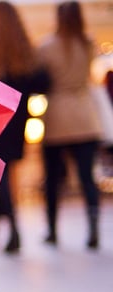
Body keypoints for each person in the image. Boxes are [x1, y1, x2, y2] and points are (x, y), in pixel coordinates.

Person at [0, 1, 51, 254]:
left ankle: (11, 226)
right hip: (16, 122)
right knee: (5, 173)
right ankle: (1, 225)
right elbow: (42, 83)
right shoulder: (24, 54)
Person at [37, 1, 103, 249]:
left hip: (57, 116)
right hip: (85, 115)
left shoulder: (46, 47)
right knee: (87, 178)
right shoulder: (88, 43)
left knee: (53, 179)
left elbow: (41, 80)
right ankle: (93, 227)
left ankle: (52, 229)